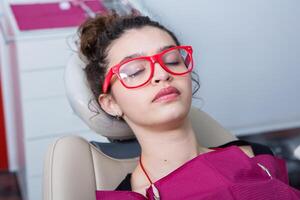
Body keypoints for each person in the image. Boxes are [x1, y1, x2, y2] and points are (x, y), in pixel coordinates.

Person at [77, 11, 300, 200]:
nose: (162, 74)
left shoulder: (257, 158)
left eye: (172, 60)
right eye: (135, 71)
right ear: (111, 104)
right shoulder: (134, 195)